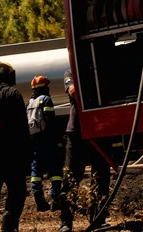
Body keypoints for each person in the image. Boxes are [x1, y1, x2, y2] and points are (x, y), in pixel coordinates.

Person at [58, 68, 111, 232]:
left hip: (101, 128)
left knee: (101, 175)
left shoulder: (101, 70)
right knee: (71, 176)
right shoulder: (70, 73)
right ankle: (66, 222)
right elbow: (73, 91)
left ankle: (98, 218)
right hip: (77, 132)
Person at [0, 62, 30, 232]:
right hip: (12, 154)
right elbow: (22, 127)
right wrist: (27, 154)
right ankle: (9, 225)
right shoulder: (13, 93)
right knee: (18, 191)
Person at [27, 75, 63, 212]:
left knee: (36, 170)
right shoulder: (46, 100)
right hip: (47, 140)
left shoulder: (29, 103)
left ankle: (39, 199)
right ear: (45, 87)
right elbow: (50, 122)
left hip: (35, 141)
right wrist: (57, 140)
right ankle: (55, 199)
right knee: (55, 169)